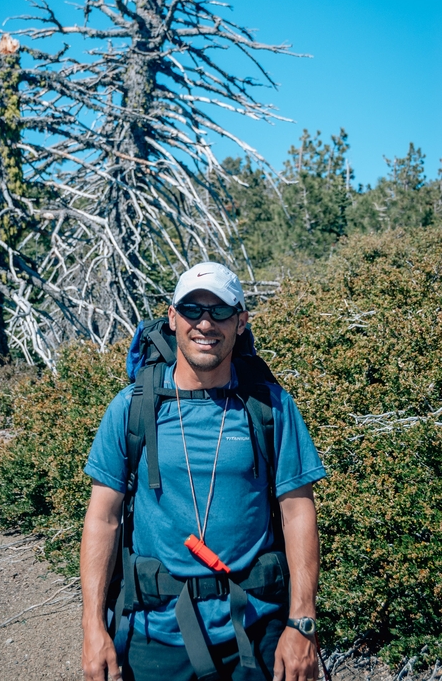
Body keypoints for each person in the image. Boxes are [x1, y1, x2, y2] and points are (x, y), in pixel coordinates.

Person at [80, 262, 326, 681]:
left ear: (241, 322)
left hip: (256, 630)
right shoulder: (131, 408)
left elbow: (298, 511)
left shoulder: (270, 406)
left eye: (221, 311)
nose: (205, 323)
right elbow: (103, 518)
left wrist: (301, 622)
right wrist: (92, 628)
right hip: (152, 634)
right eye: (192, 309)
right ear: (172, 317)